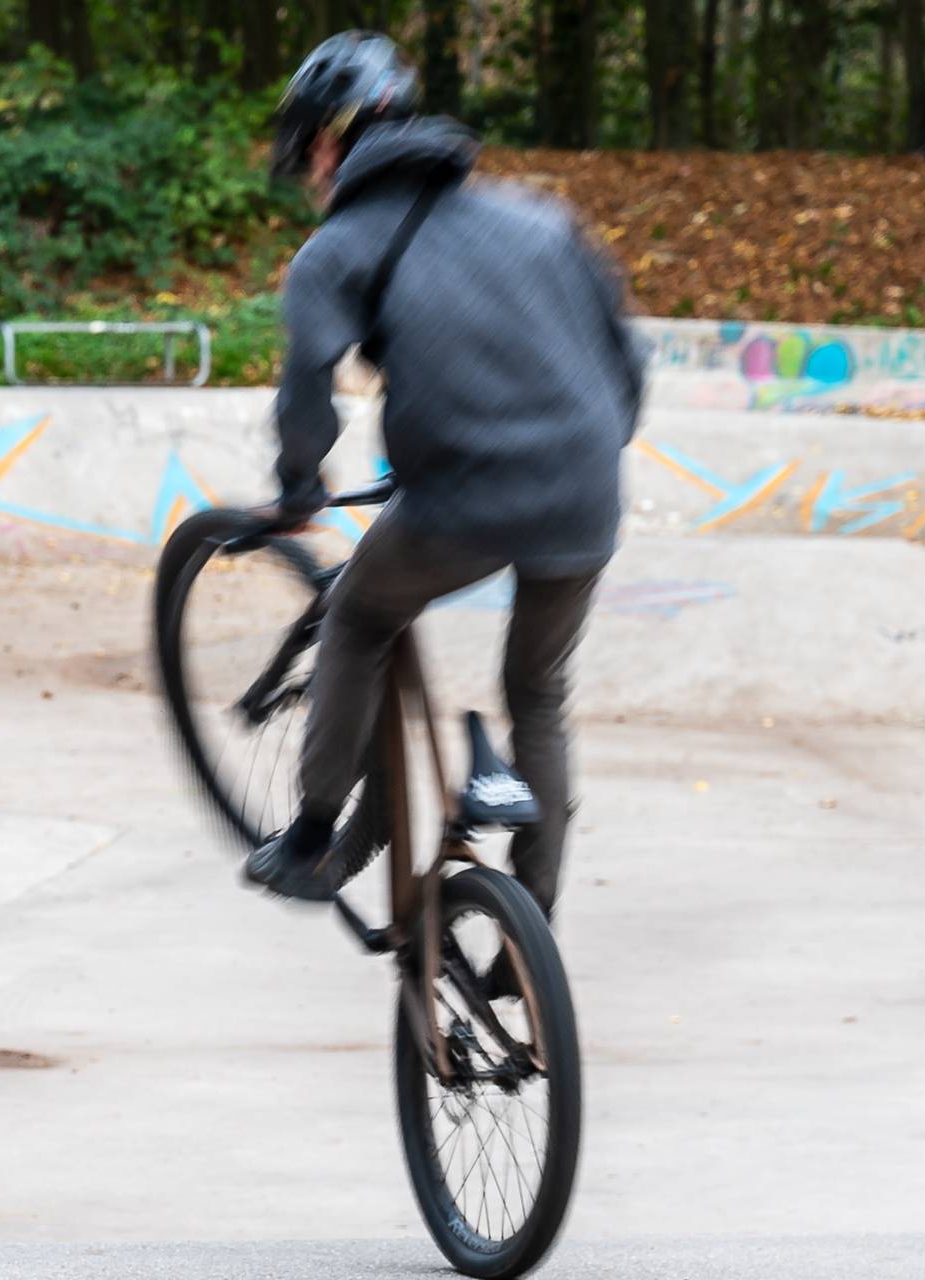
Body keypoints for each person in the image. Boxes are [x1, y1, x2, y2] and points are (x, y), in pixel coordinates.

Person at [243, 32, 646, 927]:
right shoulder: (540, 218)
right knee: (538, 692)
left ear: (325, 145)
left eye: (304, 152)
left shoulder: (335, 250)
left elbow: (310, 386)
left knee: (358, 616)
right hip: (584, 490)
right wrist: (580, 452)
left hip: (464, 501)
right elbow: (626, 360)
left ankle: (313, 837)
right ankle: (529, 928)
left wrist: (300, 486)